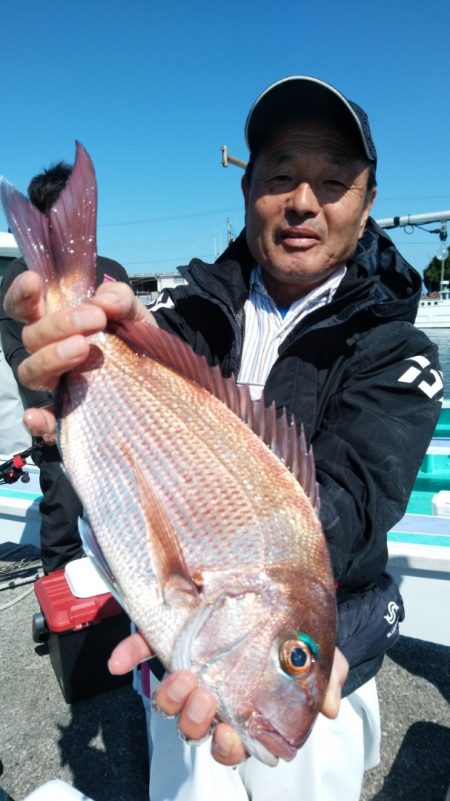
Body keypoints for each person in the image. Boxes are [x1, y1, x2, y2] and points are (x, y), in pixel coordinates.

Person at [3, 75, 443, 801]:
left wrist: (274, 624)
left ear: (367, 210)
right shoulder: (181, 314)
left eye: (335, 181)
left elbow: (355, 497)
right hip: (185, 655)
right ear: (247, 196)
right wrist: (50, 359)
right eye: (280, 176)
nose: (304, 200)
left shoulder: (398, 352)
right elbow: (91, 441)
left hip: (314, 684)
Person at [0, 161, 130, 574]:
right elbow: (21, 355)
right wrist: (53, 421)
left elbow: (133, 346)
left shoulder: (111, 270)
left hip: (118, 427)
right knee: (63, 518)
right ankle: (62, 624)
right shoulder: (22, 277)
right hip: (63, 430)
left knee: (122, 521)